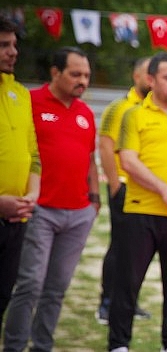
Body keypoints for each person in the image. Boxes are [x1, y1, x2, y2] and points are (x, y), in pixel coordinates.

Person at [3, 46, 99, 351]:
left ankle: (42, 345)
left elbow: (90, 158)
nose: (82, 80)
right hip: (40, 210)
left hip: (78, 214)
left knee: (56, 289)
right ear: (55, 73)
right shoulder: (30, 102)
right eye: (75, 74)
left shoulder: (85, 112)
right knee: (30, 286)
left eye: (86, 74)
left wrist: (94, 200)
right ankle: (14, 346)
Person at [107, 51, 167, 352]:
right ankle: (118, 344)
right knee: (127, 284)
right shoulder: (134, 114)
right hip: (140, 212)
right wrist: (165, 191)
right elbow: (128, 160)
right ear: (151, 79)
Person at [95, 57, 152, 325]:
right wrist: (116, 185)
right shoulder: (119, 108)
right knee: (118, 248)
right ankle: (106, 302)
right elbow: (105, 147)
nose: (152, 79)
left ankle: (129, 301)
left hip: (145, 194)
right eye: (147, 73)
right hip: (123, 188)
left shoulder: (151, 109)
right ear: (136, 75)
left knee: (134, 252)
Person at [0, 16, 40, 334]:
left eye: (14, 45)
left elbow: (34, 156)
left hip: (17, 219)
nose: (13, 52)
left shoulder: (21, 94)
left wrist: (32, 195)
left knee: (3, 296)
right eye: (4, 45)